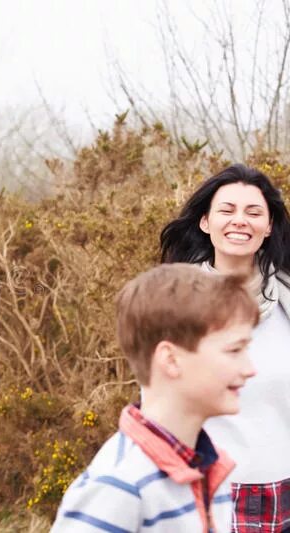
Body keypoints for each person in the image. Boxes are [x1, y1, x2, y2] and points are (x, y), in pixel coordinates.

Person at [51, 264, 258, 532]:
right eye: (234, 350)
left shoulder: (213, 466)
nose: (250, 369)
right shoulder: (118, 484)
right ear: (170, 360)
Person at [160, 164, 290, 532]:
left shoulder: (285, 300)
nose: (240, 221)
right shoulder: (176, 299)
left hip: (284, 490)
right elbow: (158, 404)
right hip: (210, 491)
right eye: (227, 210)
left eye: (253, 213)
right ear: (205, 222)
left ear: (268, 228)